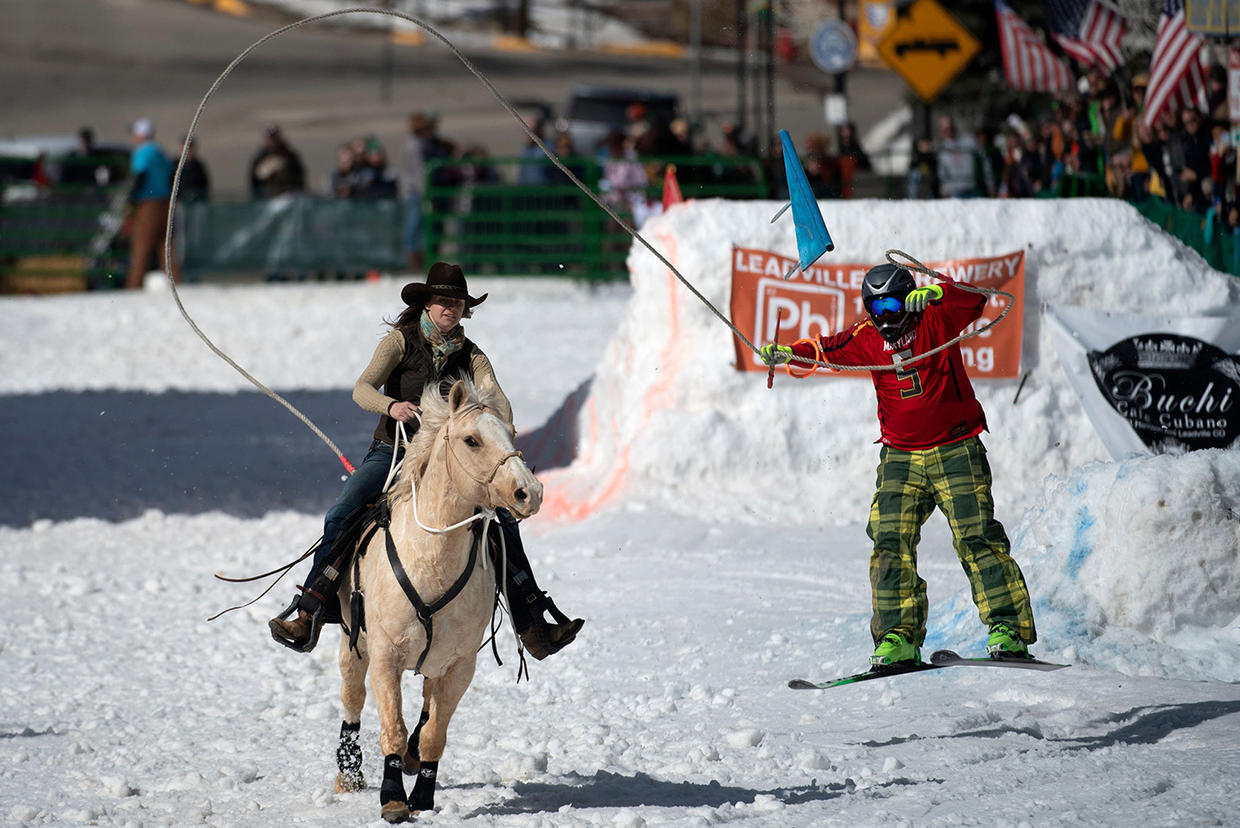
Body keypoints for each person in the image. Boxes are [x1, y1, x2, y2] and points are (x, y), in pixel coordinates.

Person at [269, 262, 584, 660]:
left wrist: (502, 424)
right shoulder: (399, 342)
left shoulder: (473, 356)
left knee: (502, 523)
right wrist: (391, 405)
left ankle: (534, 623)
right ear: (428, 304)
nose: (449, 308)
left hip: (450, 462)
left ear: (465, 309)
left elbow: (494, 394)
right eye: (442, 301)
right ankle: (310, 610)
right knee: (342, 511)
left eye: (456, 302)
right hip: (394, 450)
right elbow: (361, 389)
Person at [760, 262, 1037, 669]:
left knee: (976, 536)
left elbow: (976, 300)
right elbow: (825, 350)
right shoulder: (867, 337)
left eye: (891, 304)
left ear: (909, 297)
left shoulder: (937, 318)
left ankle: (1008, 631)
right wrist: (788, 352)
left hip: (955, 447)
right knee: (889, 540)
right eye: (874, 307)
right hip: (900, 458)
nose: (883, 316)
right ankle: (898, 637)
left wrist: (941, 293)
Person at [125, 118, 180, 289]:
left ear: (141, 134)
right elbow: (172, 174)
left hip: (148, 204)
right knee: (166, 247)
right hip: (166, 204)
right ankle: (176, 283)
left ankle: (134, 285)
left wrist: (131, 199)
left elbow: (139, 175)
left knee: (141, 246)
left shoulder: (142, 153)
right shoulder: (160, 152)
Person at [249, 124, 306, 199]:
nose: (273, 141)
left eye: (274, 137)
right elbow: (254, 178)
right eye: (270, 138)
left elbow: (299, 172)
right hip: (267, 193)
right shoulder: (261, 157)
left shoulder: (288, 154)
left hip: (289, 192)